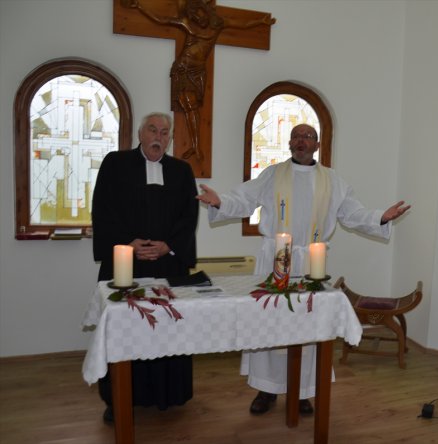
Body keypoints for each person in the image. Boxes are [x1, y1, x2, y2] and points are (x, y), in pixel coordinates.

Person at [197, 123, 410, 415]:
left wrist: (380, 218)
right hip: (275, 260)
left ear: (317, 144)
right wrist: (220, 201)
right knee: (269, 323)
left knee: (307, 325)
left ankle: (302, 392)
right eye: (296, 136)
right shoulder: (273, 175)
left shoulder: (332, 181)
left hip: (311, 261)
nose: (301, 141)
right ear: (289, 143)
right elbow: (243, 199)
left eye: (307, 137)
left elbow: (353, 214)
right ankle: (266, 389)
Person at [92, 111, 199, 422]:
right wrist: (128, 243)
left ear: (170, 138)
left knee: (168, 327)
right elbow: (102, 209)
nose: (158, 137)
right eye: (153, 130)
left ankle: (169, 394)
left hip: (168, 264)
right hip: (126, 262)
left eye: (165, 132)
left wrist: (169, 245)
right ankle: (118, 397)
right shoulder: (115, 163)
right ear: (140, 134)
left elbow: (189, 215)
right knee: (126, 329)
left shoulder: (181, 170)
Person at [125, 0, 275, 160]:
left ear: (206, 12)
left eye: (201, 15)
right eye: (195, 17)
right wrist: (140, 7)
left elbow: (241, 24)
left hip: (198, 71)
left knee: (193, 107)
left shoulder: (218, 24)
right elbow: (162, 19)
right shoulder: (186, 24)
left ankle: (195, 147)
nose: (199, 19)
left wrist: (260, 21)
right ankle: (195, 147)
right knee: (188, 106)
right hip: (183, 69)